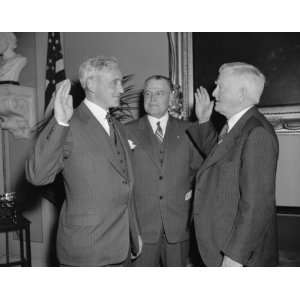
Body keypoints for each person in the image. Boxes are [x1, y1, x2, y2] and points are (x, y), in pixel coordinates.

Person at [26, 56, 142, 266]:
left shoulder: (118, 126)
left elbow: (125, 185)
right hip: (87, 250)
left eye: (121, 82)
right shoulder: (69, 123)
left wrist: (134, 234)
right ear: (91, 84)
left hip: (122, 248)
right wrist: (60, 121)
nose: (122, 89)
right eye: (114, 82)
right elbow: (37, 175)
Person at [188, 62, 279, 267]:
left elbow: (257, 205)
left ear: (241, 94)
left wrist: (235, 256)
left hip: (238, 255)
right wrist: (203, 121)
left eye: (221, 87)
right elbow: (219, 156)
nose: (214, 92)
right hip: (221, 242)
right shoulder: (239, 125)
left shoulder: (257, 133)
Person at [125, 75, 203, 266]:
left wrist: (190, 194)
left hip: (178, 226)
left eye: (159, 93)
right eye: (148, 93)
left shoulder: (190, 130)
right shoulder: (125, 131)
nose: (152, 98)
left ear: (171, 97)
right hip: (141, 228)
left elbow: (201, 172)